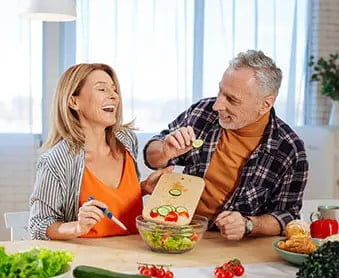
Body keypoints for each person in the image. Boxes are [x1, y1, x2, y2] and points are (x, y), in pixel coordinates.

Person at [144, 50, 308, 240]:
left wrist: (249, 224)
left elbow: (288, 216)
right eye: (220, 91)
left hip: (234, 246)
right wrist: (164, 151)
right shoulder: (202, 112)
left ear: (265, 104)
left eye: (232, 99)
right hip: (181, 232)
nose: (217, 105)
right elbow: (152, 157)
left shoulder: (289, 149)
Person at [29, 63, 172, 240]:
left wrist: (142, 189)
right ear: (74, 101)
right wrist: (77, 227)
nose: (114, 96)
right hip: (91, 261)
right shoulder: (56, 160)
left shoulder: (126, 141)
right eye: (102, 89)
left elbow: (115, 202)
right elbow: (38, 225)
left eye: (114, 89)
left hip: (138, 251)